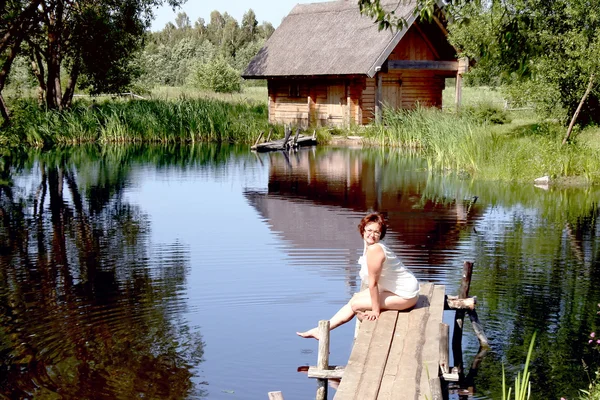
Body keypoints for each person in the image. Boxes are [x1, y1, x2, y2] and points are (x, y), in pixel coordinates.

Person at [297, 212, 419, 340]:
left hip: (406, 295)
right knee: (355, 299)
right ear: (363, 230)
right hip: (397, 289)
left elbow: (373, 284)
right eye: (369, 230)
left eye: (376, 232)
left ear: (381, 234)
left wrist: (375, 311)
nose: (372, 235)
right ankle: (321, 330)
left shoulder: (375, 249)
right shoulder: (369, 247)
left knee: (356, 305)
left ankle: (327, 329)